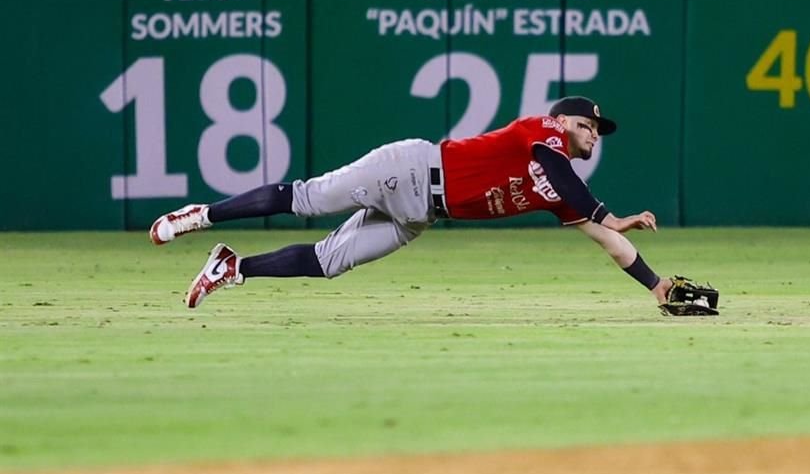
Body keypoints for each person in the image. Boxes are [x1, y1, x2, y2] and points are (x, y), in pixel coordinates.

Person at [150, 96, 674, 309]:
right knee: (307, 199)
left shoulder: (560, 191)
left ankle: (231, 267)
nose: (593, 135)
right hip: (409, 169)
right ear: (562, 121)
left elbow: (607, 242)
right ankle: (201, 214)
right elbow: (560, 171)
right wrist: (612, 213)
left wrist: (656, 286)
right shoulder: (542, 131)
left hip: (422, 214)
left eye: (598, 131)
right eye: (587, 125)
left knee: (329, 262)